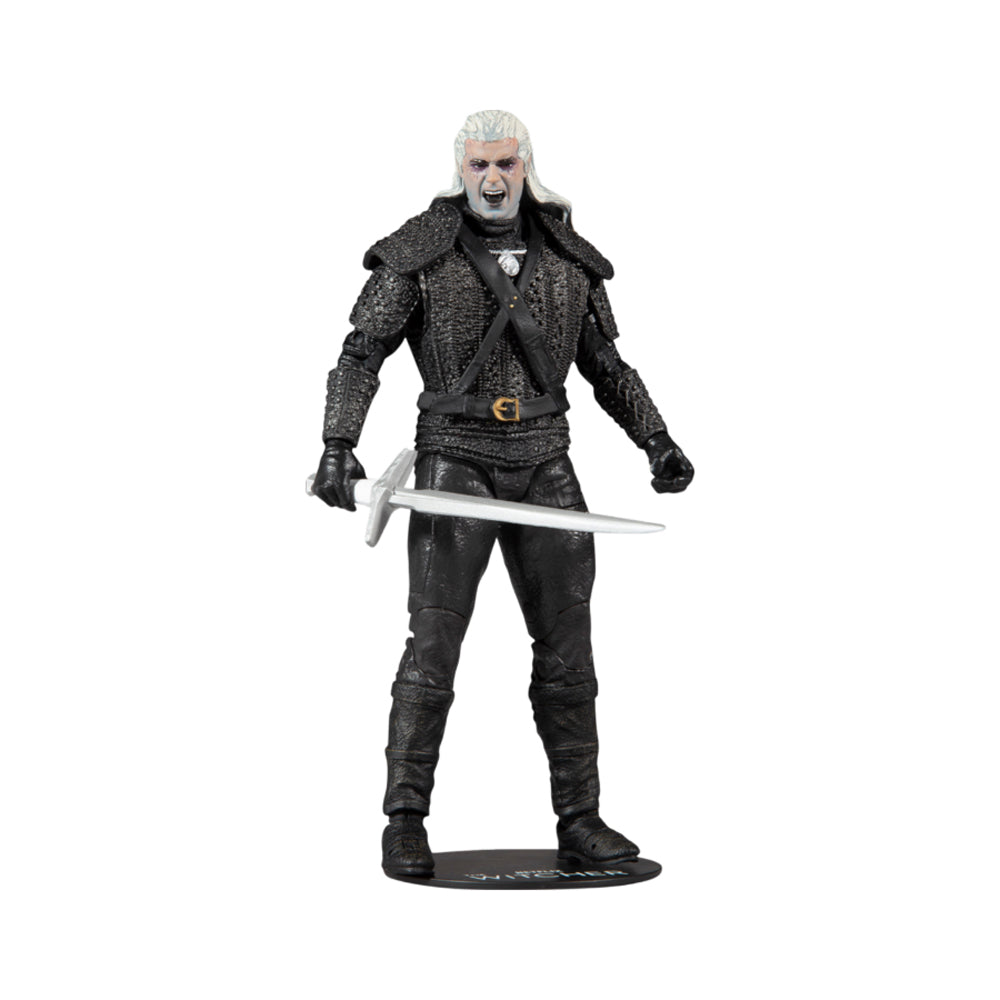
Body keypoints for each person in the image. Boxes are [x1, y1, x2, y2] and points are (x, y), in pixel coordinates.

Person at [312, 110, 693, 877]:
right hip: (455, 463)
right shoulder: (418, 253)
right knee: (433, 645)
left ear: (526, 166)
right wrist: (337, 444)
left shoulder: (568, 258)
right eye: (480, 165)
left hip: (547, 463)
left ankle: (580, 819)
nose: (493, 180)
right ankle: (404, 819)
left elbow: (607, 367)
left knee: (569, 650)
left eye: (506, 164)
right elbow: (360, 354)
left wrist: (657, 439)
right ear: (461, 169)